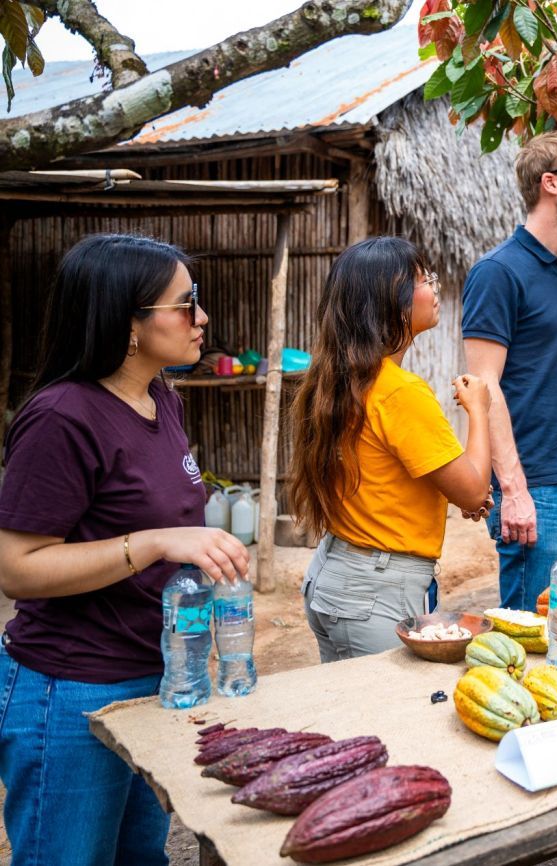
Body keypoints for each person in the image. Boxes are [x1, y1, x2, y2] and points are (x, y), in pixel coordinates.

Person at [0, 234, 250, 866]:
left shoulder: (160, 397)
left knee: (142, 855)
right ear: (128, 324)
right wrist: (156, 542)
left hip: (157, 676)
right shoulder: (62, 418)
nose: (203, 317)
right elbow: (17, 570)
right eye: (185, 302)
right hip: (74, 689)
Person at [288, 237, 491, 662]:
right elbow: (473, 492)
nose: (434, 287)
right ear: (390, 302)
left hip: (337, 573)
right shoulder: (400, 392)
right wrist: (479, 410)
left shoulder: (340, 379)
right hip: (375, 591)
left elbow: (396, 476)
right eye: (423, 279)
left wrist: (454, 488)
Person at [462, 129, 557, 610]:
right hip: (532, 490)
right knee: (529, 636)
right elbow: (484, 389)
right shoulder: (498, 272)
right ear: (550, 183)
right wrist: (515, 491)